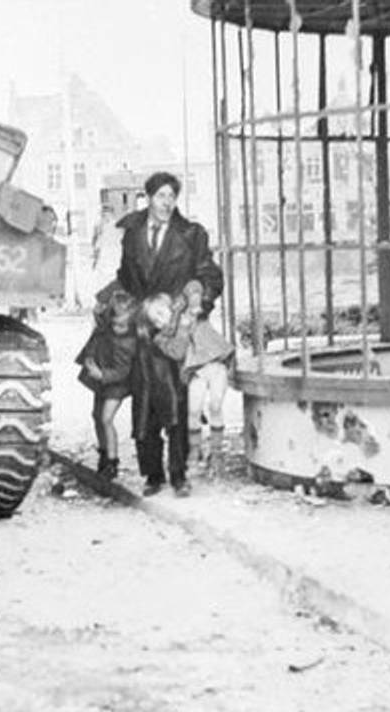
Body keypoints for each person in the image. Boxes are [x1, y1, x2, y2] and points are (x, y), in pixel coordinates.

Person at [112, 171, 223, 497]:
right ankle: (152, 475)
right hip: (143, 331)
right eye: (161, 196)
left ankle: (179, 475)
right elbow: (125, 276)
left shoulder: (191, 234)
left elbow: (209, 275)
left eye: (171, 197)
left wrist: (194, 303)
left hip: (176, 332)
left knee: (177, 403)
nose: (167, 203)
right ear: (148, 198)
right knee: (144, 407)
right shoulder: (132, 235)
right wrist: (128, 308)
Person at [152, 280, 235, 479]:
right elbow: (177, 352)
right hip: (196, 370)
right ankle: (195, 451)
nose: (163, 320)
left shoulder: (196, 315)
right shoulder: (163, 339)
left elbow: (196, 288)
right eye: (156, 320)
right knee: (194, 410)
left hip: (215, 364)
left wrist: (190, 303)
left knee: (215, 405)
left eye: (164, 313)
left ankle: (216, 453)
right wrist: (179, 328)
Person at [74, 289, 139, 482]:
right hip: (102, 379)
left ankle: (112, 461)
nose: (119, 328)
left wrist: (102, 374)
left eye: (124, 325)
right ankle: (103, 453)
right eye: (116, 324)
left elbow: (123, 371)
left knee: (106, 418)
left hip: (117, 383)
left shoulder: (128, 342)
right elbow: (100, 310)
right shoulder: (107, 327)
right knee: (97, 416)